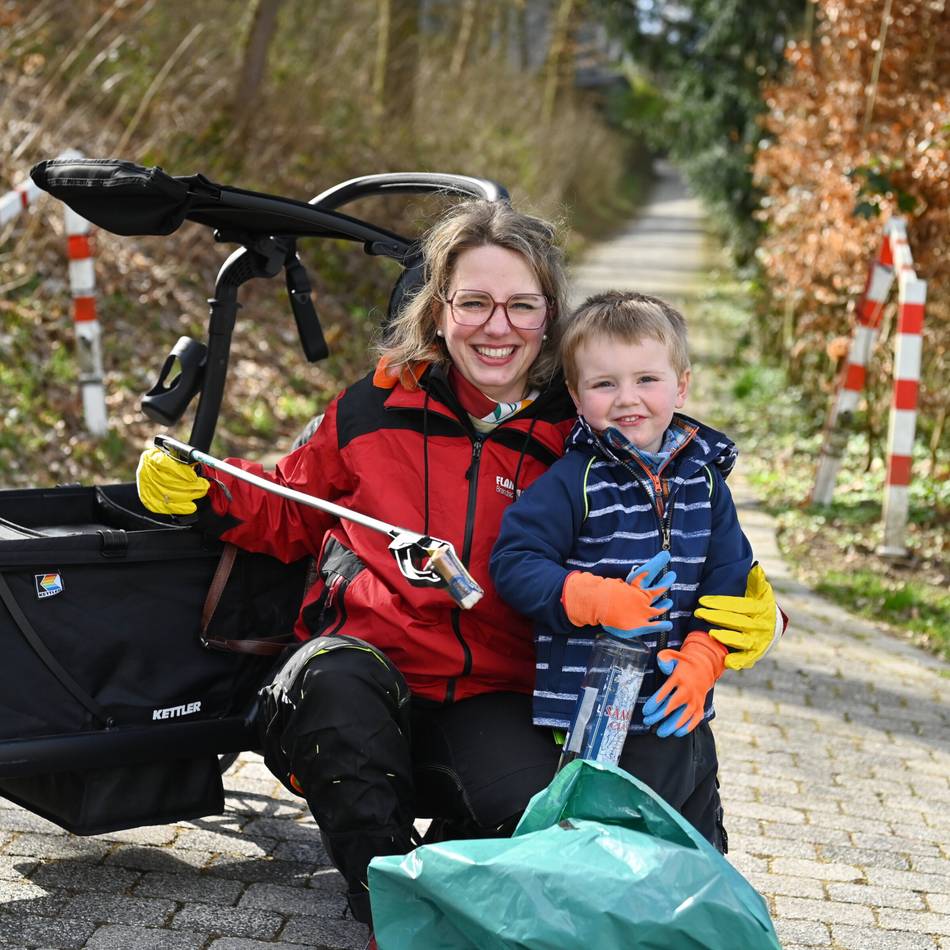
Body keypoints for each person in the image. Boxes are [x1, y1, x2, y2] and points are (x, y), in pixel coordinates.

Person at [135, 202, 781, 943]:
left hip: (496, 702)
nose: (496, 326)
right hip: (359, 689)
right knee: (336, 681)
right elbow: (289, 503)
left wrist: (748, 621)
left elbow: (679, 526)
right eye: (474, 302)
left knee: (538, 822)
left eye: (521, 305)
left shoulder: (583, 431)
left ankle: (459, 854)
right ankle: (387, 904)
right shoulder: (375, 406)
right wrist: (206, 488)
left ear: (548, 315)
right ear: (439, 310)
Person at [490, 290, 774, 852]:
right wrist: (591, 598)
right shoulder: (575, 481)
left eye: (647, 379)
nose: (628, 399)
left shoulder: (705, 482)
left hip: (681, 710)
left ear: (681, 386)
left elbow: (729, 577)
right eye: (604, 384)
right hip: (592, 717)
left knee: (694, 845)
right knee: (603, 847)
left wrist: (706, 654)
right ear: (576, 396)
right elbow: (515, 563)